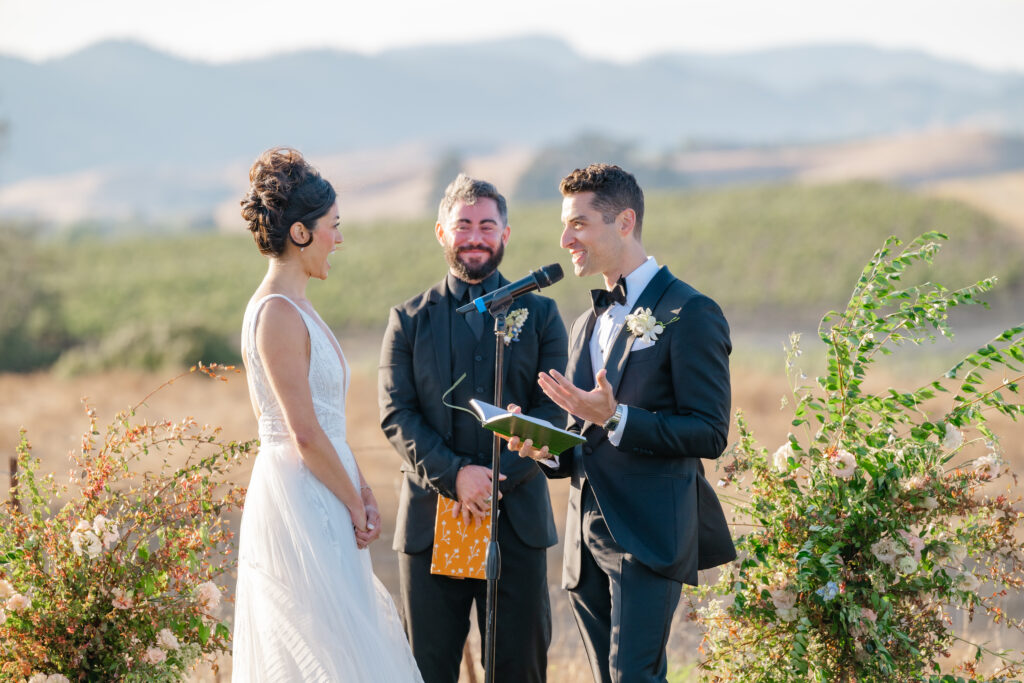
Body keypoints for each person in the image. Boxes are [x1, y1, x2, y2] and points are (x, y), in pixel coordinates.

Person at [511, 164, 736, 683]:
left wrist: (618, 417)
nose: (565, 238)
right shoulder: (584, 323)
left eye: (580, 224)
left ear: (625, 222)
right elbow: (576, 444)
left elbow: (709, 432)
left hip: (650, 531)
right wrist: (540, 445)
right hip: (584, 537)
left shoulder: (690, 311)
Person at [232, 147, 423, 682]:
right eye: (332, 227)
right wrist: (353, 501)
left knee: (345, 641)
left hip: (327, 487)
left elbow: (328, 425)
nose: (338, 238)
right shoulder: (275, 314)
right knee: (320, 646)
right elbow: (305, 433)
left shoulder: (300, 305)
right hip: (301, 495)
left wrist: (361, 487)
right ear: (299, 233)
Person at [378, 174, 568, 683]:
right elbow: (397, 415)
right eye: (464, 225)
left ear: (506, 234)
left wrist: (500, 477)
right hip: (429, 523)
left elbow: (555, 413)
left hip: (517, 523)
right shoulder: (408, 320)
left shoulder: (543, 314)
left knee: (519, 669)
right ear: (441, 233)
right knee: (426, 670)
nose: (476, 236)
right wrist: (457, 475)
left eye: (487, 225)